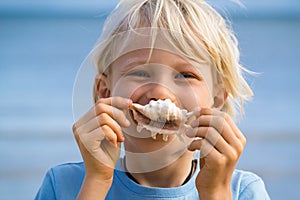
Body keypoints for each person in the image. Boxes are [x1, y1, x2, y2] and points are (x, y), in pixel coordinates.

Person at [35, 0, 270, 199]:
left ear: (217, 99)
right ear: (105, 92)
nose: (160, 90)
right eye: (139, 72)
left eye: (186, 75)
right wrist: (96, 181)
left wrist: (216, 191)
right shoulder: (64, 186)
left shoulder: (242, 191)